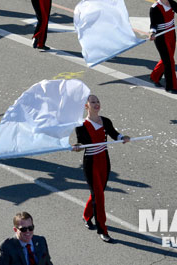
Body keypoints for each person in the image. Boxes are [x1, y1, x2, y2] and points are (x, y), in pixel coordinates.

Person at [72, 95, 129, 243]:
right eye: (93, 102)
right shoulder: (81, 125)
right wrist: (78, 146)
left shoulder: (105, 121)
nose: (96, 104)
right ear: (86, 106)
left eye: (97, 101)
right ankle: (102, 229)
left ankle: (86, 215)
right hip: (91, 163)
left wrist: (122, 137)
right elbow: (81, 142)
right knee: (99, 197)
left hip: (104, 161)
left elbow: (114, 134)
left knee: (98, 193)